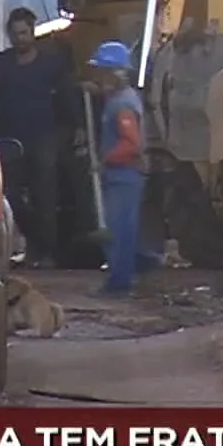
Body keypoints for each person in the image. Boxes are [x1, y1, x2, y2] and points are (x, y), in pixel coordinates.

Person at [0, 8, 69, 268]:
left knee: (46, 197)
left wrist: (74, 127)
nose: (20, 39)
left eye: (24, 33)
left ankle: (48, 252)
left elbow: (65, 96)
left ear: (32, 32)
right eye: (15, 34)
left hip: (44, 137)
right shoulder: (3, 62)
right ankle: (34, 243)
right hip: (10, 140)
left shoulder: (51, 62)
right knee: (11, 195)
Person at [85, 40, 146, 297]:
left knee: (119, 231)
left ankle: (119, 283)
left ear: (115, 73)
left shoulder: (122, 105)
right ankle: (128, 272)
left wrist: (104, 160)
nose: (99, 76)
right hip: (121, 175)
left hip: (124, 174)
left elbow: (131, 143)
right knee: (121, 228)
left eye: (102, 71)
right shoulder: (119, 98)